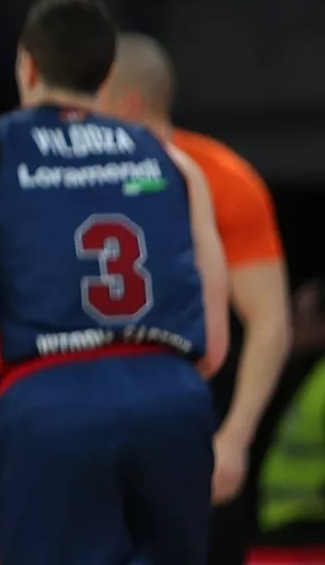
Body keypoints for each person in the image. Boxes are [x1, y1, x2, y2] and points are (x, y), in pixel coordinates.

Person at [0, 0, 230, 565]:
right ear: (105, 73)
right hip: (172, 398)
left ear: (28, 66)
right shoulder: (176, 162)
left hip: (52, 398)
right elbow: (214, 343)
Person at [98, 32, 291, 565]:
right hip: (101, 416)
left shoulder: (223, 179)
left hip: (194, 413)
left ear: (126, 103)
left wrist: (234, 437)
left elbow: (270, 321)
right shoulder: (74, 178)